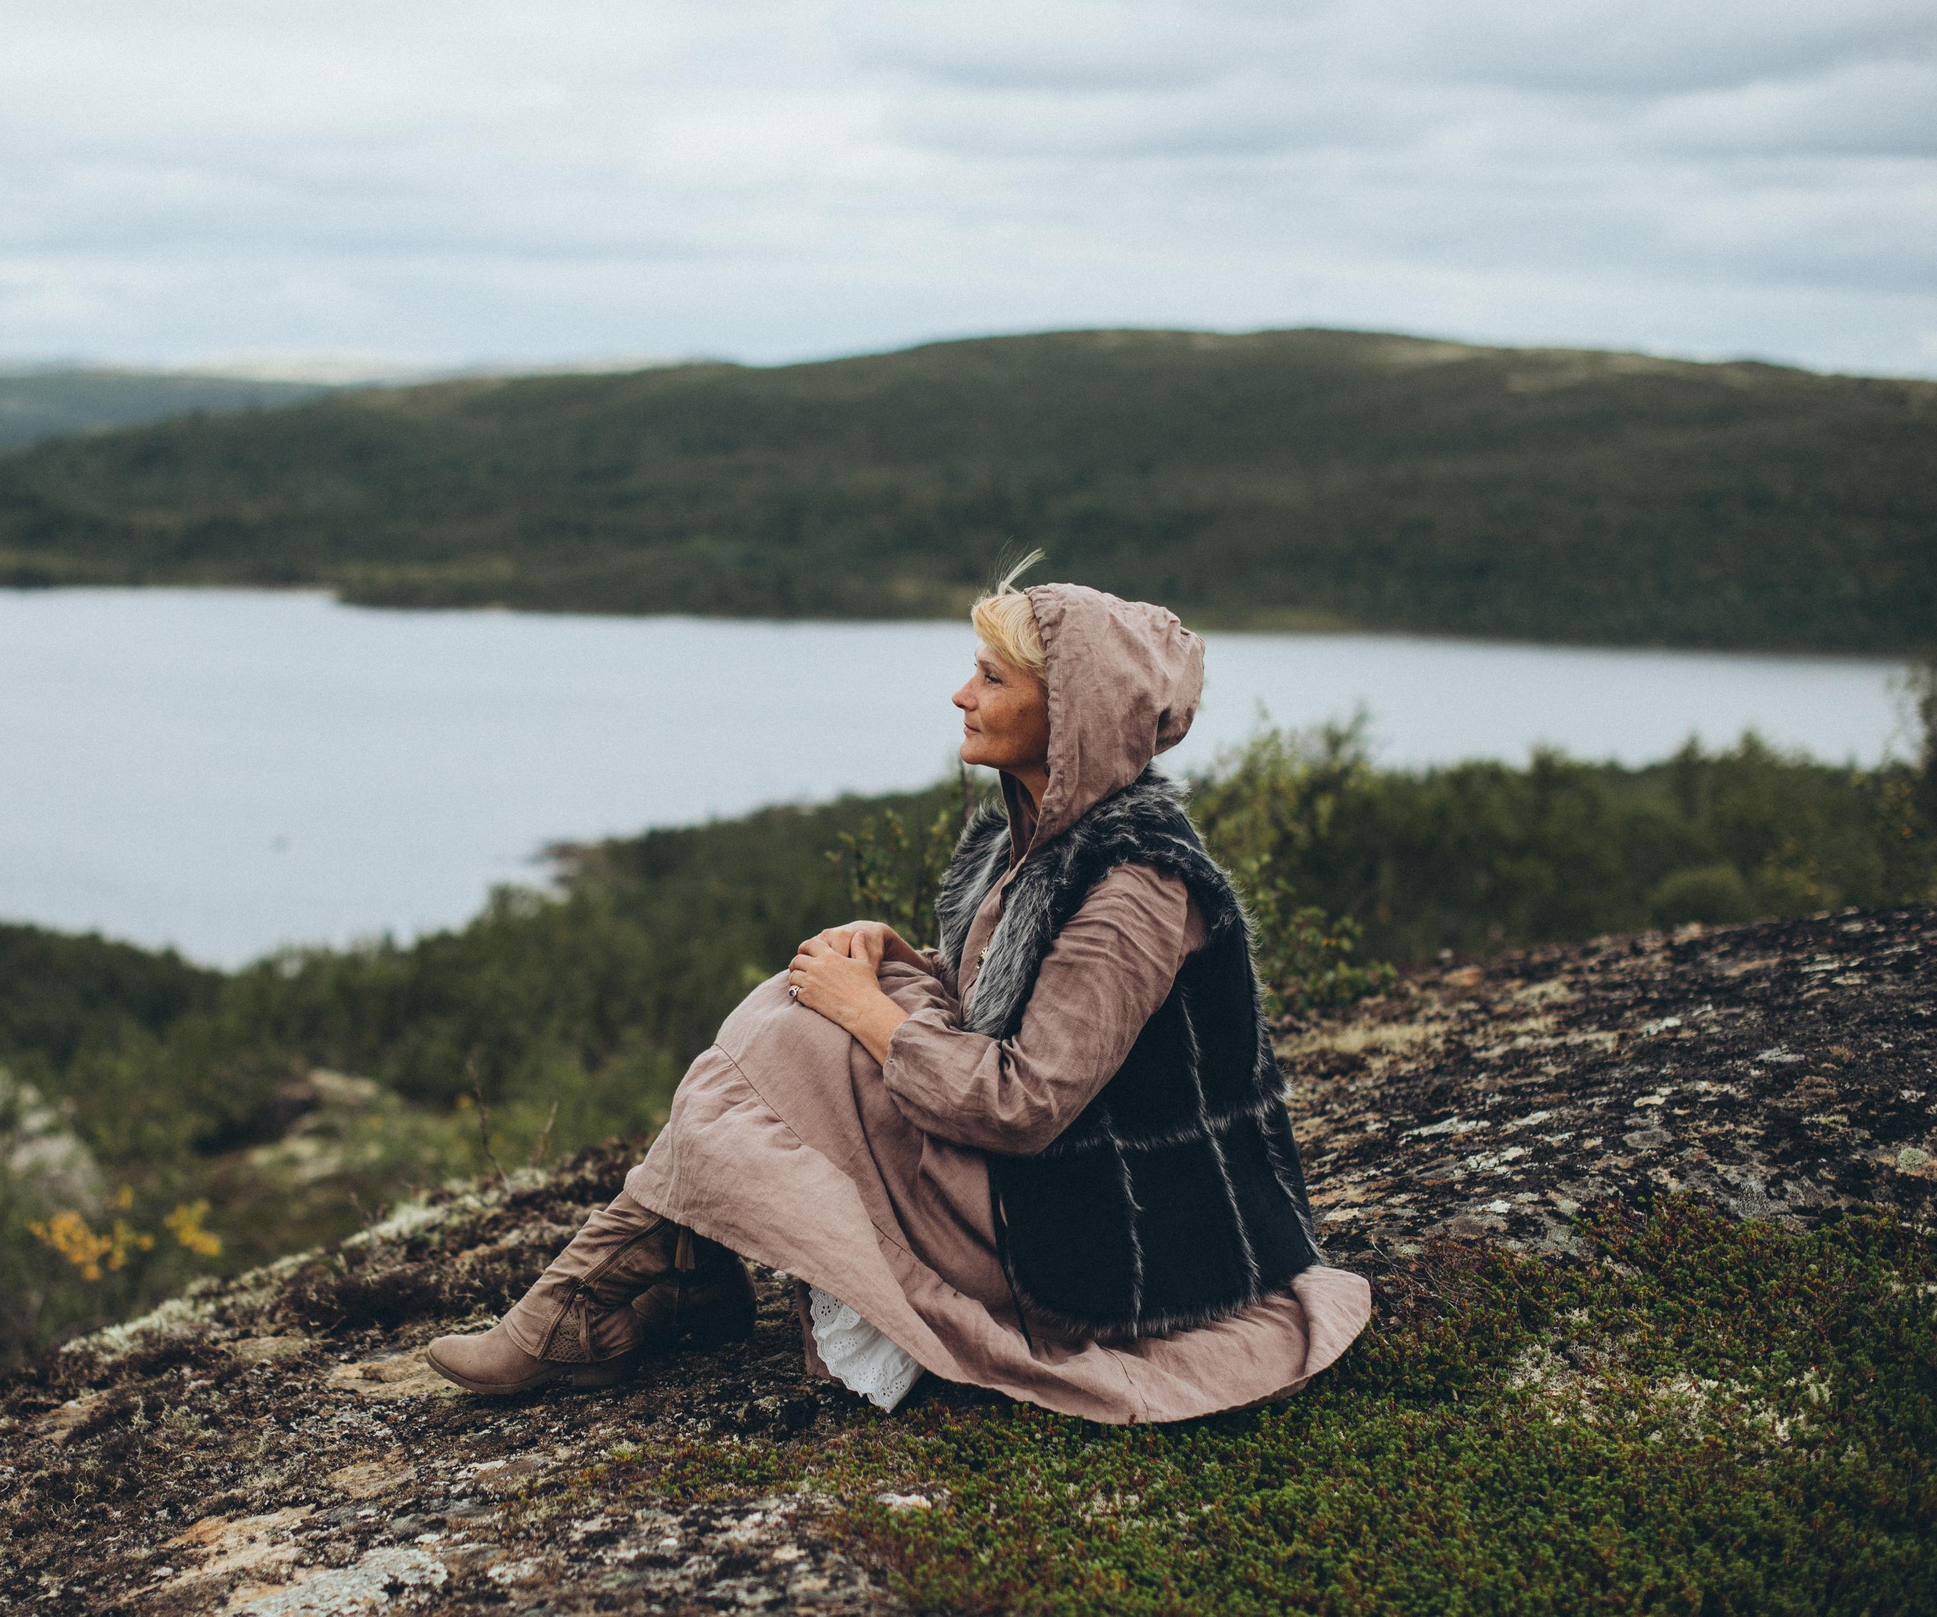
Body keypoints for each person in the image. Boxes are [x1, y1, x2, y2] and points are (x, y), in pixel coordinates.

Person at [426, 560, 1370, 1422]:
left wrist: (870, 1011)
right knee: (800, 1003)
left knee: (797, 1030)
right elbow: (990, 1005)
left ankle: (611, 1292)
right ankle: (648, 1277)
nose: (961, 695)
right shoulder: (1029, 842)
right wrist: (893, 958)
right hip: (1051, 1185)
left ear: (1073, 712)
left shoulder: (1137, 891)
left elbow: (1026, 1100)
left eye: (994, 679)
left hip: (1103, 1237)